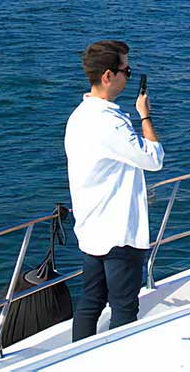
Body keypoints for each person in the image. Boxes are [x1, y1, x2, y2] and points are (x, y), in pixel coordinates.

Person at [64, 40, 164, 341]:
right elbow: (154, 159)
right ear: (108, 76)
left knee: (89, 303)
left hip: (91, 228)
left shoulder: (79, 116)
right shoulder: (109, 123)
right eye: (127, 70)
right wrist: (145, 116)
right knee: (124, 309)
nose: (129, 76)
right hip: (119, 233)